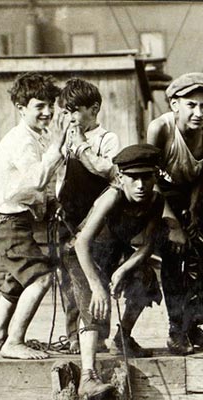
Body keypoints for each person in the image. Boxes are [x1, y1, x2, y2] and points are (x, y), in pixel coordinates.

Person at [65, 144, 164, 400]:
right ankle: (88, 376)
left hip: (115, 254)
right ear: (121, 178)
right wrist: (98, 286)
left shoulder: (155, 200)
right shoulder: (112, 197)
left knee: (146, 280)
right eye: (133, 178)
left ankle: (123, 337)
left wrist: (123, 270)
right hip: (84, 254)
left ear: (156, 176)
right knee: (94, 305)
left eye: (147, 177)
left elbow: (147, 245)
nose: (140, 185)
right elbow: (81, 243)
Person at [0, 72, 68, 360]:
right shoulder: (22, 141)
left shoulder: (37, 136)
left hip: (12, 215)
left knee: (17, 277)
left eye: (49, 105)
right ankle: (14, 342)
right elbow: (36, 180)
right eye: (38, 106)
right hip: (3, 217)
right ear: (21, 108)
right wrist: (57, 146)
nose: (47, 112)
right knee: (41, 277)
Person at [144, 72, 203, 355]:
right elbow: (149, 178)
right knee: (174, 262)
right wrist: (172, 223)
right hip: (160, 199)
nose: (198, 112)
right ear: (174, 104)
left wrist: (193, 208)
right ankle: (175, 330)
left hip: (193, 197)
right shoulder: (161, 129)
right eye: (191, 105)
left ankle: (194, 326)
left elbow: (202, 174)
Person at [55, 77, 120, 354]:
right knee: (69, 283)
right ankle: (73, 337)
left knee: (93, 277)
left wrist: (82, 144)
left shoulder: (107, 138)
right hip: (67, 218)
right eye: (66, 112)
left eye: (74, 111)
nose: (69, 117)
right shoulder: (65, 140)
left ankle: (99, 336)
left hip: (95, 219)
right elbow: (60, 175)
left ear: (93, 109)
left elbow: (108, 171)